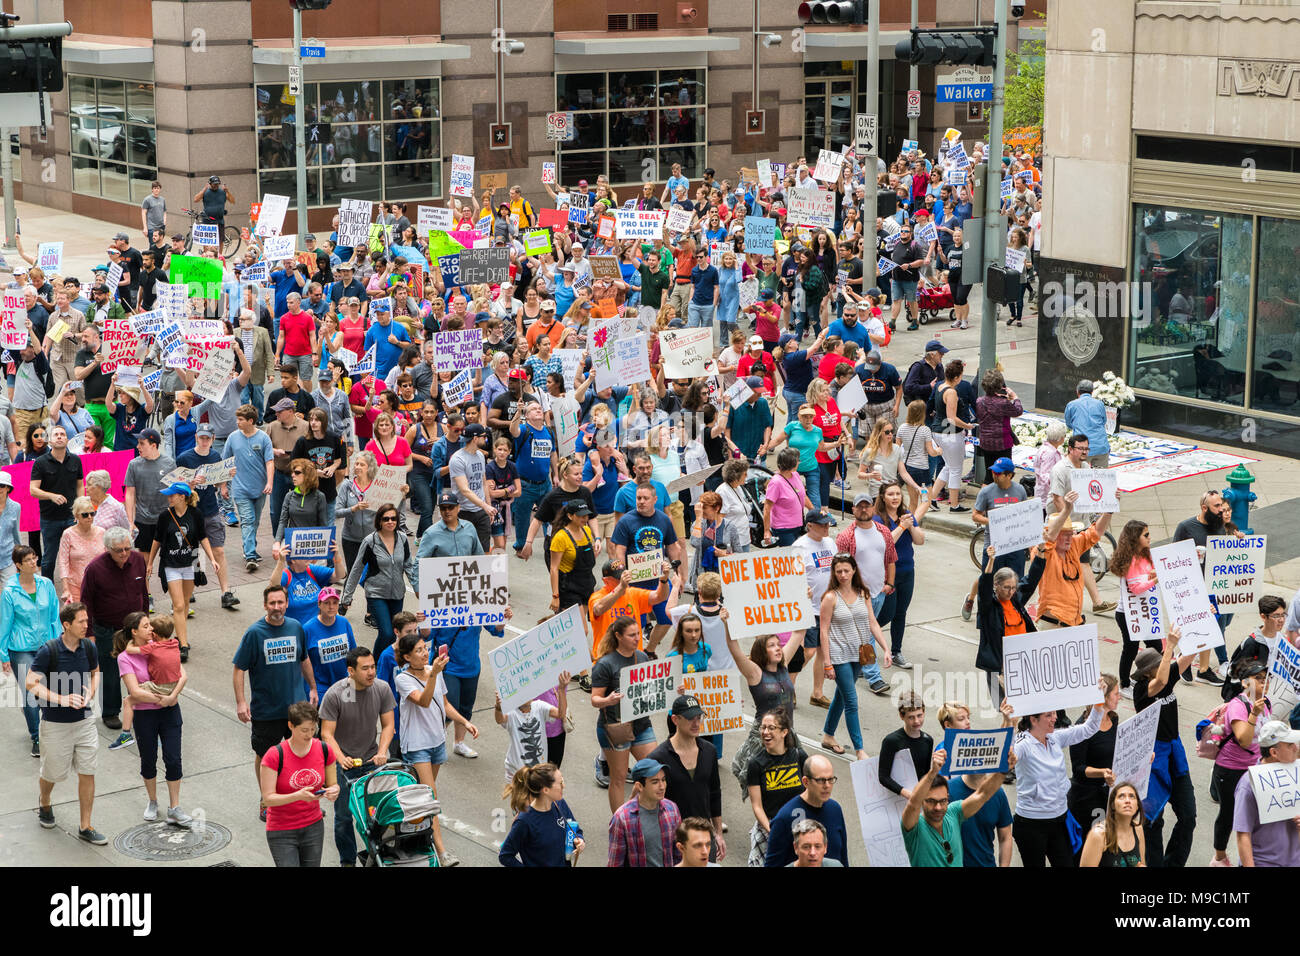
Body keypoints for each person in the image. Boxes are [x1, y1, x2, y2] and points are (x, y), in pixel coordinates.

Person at [393, 631, 477, 868]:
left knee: (423, 795)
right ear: (407, 657)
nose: (424, 653)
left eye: (424, 648)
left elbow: (445, 703)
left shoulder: (433, 671)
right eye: (418, 651)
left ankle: (413, 833)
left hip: (437, 741)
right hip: (417, 745)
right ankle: (441, 851)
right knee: (431, 797)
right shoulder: (403, 679)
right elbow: (424, 700)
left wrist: (465, 722)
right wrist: (434, 675)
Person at [233, 584, 316, 821]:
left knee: (301, 755)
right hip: (266, 711)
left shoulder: (296, 627)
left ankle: (302, 799)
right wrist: (241, 702)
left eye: (280, 602)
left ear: (287, 603)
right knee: (265, 756)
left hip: (296, 710)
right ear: (265, 605)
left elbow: (304, 658)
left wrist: (312, 687)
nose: (277, 607)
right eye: (272, 603)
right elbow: (239, 669)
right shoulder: (254, 633)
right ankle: (266, 799)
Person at [24, 601, 105, 844]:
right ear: (66, 625)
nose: (86, 624)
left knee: (87, 772)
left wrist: (91, 693)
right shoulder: (49, 650)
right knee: (52, 774)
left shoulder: (88, 647)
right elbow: (30, 682)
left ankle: (85, 825)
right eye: (81, 621)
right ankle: (45, 802)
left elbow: (95, 672)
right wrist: (62, 699)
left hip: (84, 722)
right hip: (55, 725)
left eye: (86, 620)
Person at [1008, 682, 1106, 867]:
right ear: (1033, 719)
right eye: (1048, 715)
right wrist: (1008, 725)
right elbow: (1010, 756)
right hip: (1031, 825)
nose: (1055, 718)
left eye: (1054, 714)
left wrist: (1098, 702)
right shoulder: (1023, 744)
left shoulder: (1054, 738)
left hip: (1059, 820)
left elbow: (1088, 729)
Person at [319, 645, 396, 867]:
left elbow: (389, 724)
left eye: (372, 667)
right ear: (351, 671)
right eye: (365, 668)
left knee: (377, 813)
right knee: (343, 817)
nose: (371, 672)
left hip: (372, 760)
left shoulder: (381, 688)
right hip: (341, 765)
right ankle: (348, 861)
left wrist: (382, 752)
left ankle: (378, 856)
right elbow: (326, 733)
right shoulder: (335, 694)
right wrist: (341, 758)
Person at [113, 611, 191, 827]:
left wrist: (172, 698)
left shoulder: (161, 645)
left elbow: (182, 675)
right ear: (134, 631)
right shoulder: (125, 657)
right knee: (148, 760)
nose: (151, 630)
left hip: (170, 711)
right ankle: (153, 801)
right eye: (146, 626)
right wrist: (163, 698)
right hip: (145, 715)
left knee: (173, 758)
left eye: (151, 625)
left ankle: (174, 807)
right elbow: (134, 691)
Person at [901, 745, 1015, 867]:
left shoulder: (953, 813)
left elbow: (983, 794)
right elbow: (913, 804)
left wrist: (1002, 772)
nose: (938, 807)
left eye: (943, 801)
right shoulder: (914, 827)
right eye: (931, 801)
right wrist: (933, 773)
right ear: (922, 801)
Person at [591, 617, 659, 813]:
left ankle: (637, 810)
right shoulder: (605, 664)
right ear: (618, 636)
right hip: (615, 727)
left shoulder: (642, 657)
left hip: (641, 724)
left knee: (653, 770)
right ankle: (619, 823)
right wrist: (608, 700)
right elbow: (595, 699)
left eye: (638, 633)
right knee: (619, 778)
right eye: (632, 635)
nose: (637, 638)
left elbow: (651, 688)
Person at [1, 546, 63, 757]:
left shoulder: (46, 584)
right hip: (20, 649)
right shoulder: (10, 592)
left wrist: (58, 643)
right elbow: (5, 624)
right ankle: (36, 735)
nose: (33, 562)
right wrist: (3, 655)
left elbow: (55, 616)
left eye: (34, 558)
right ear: (18, 565)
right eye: (28, 560)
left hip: (47, 645)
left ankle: (50, 729)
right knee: (31, 692)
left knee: (51, 688)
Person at [260, 700, 338, 867]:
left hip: (313, 826)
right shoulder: (274, 755)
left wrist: (333, 791)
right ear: (290, 726)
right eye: (304, 730)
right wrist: (298, 796)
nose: (309, 734)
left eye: (312, 729)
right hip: (282, 830)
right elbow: (268, 799)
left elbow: (333, 784)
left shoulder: (325, 750)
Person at [649, 694, 726, 862]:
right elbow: (650, 802)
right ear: (675, 719)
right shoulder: (658, 758)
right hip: (673, 839)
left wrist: (718, 833)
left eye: (699, 717)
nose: (696, 723)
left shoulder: (709, 751)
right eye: (691, 718)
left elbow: (714, 793)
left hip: (704, 838)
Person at [147, 482, 217, 661]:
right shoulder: (165, 516)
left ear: (182, 497)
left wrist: (212, 559)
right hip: (171, 564)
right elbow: (156, 540)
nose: (168, 498)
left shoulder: (195, 514)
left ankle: (180, 635)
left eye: (171, 495)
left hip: (191, 562)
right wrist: (150, 563)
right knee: (178, 605)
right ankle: (183, 645)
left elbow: (202, 537)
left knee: (185, 603)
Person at [1211, 657, 1271, 865]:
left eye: (1266, 678)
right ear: (1245, 682)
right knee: (1229, 815)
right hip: (1230, 770)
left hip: (1254, 769)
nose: (1264, 683)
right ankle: (1219, 857)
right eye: (1258, 678)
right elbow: (1244, 740)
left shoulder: (1267, 702)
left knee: (1255, 816)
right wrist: (1254, 714)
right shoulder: (1239, 705)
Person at [340, 504, 418, 659]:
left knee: (396, 633)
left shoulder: (402, 538)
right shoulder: (370, 541)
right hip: (376, 593)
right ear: (379, 521)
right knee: (387, 632)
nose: (390, 522)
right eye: (386, 519)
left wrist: (417, 587)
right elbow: (356, 569)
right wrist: (346, 597)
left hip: (397, 593)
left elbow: (408, 565)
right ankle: (375, 663)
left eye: (393, 518)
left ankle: (387, 663)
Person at [176, 424, 239, 609]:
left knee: (218, 550)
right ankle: (191, 589)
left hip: (211, 510)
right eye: (201, 438)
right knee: (192, 551)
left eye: (207, 438)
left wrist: (226, 478)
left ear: (212, 439)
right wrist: (191, 484)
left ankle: (225, 592)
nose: (204, 441)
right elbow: (178, 488)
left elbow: (218, 482)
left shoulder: (215, 456)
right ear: (196, 437)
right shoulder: (184, 458)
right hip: (191, 511)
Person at [744, 707, 807, 867]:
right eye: (763, 727)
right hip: (769, 828)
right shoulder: (755, 763)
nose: (765, 732)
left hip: (800, 826)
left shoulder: (798, 756)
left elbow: (811, 791)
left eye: (771, 728)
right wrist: (772, 831)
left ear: (784, 732)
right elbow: (757, 806)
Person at [1233, 720, 1300, 867]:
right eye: (1290, 745)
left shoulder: (1297, 775)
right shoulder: (1248, 784)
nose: (1296, 748)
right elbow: (1243, 834)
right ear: (1274, 752)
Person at [764, 754, 849, 867]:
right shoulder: (785, 818)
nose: (827, 785)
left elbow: (843, 856)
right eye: (821, 780)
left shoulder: (835, 809)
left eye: (830, 779)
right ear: (805, 782)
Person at [1067, 674, 1121, 842]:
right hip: (1087, 797)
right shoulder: (1081, 728)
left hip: (1107, 792)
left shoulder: (1114, 718)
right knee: (1091, 843)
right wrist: (1102, 772)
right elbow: (1078, 769)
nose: (1119, 697)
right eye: (1116, 694)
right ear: (1103, 698)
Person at [499, 764, 584, 867]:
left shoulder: (560, 804)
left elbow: (575, 829)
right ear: (546, 790)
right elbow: (505, 855)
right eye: (560, 783)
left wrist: (579, 840)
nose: (563, 786)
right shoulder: (524, 821)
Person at [31, 424, 85, 581]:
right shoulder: (40, 462)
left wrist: (81, 506)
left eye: (62, 434)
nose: (60, 436)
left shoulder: (75, 460)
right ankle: (48, 587)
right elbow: (33, 490)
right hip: (50, 518)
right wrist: (51, 496)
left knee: (75, 554)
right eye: (56, 435)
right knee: (49, 558)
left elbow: (80, 485)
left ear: (67, 439)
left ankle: (76, 584)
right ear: (50, 441)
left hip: (71, 517)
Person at [606, 757, 683, 867]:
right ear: (639, 786)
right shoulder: (622, 818)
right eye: (655, 782)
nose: (662, 786)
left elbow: (679, 853)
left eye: (663, 780)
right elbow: (615, 863)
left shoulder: (672, 809)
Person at [227, 404, 275, 572]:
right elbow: (225, 463)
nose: (237, 422)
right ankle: (250, 555)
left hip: (260, 489)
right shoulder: (232, 437)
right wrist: (223, 486)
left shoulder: (263, 438)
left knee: (255, 521)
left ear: (251, 421)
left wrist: (269, 482)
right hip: (240, 489)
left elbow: (270, 462)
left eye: (240, 420)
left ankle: (250, 547)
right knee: (247, 521)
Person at [495, 673, 569, 780]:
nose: (527, 695)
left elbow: (561, 714)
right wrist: (498, 708)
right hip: (517, 771)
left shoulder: (539, 706)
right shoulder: (511, 713)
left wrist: (561, 690)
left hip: (537, 772)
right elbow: (499, 720)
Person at [879, 691, 934, 798]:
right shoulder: (891, 741)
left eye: (919, 715)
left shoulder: (928, 740)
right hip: (898, 797)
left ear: (924, 712)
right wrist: (906, 794)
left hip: (918, 795)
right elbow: (883, 777)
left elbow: (925, 773)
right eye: (911, 717)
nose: (917, 721)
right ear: (901, 716)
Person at [1079, 782, 1146, 867]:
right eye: (1121, 796)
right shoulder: (1099, 835)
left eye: (1132, 796)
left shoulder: (1138, 828)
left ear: (1137, 806)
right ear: (1112, 805)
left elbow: (1142, 863)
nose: (1127, 800)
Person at [55, 495, 105, 605]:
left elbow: (107, 559)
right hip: (76, 587)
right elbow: (63, 562)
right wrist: (65, 588)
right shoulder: (68, 534)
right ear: (76, 515)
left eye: (92, 513)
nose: (89, 517)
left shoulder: (101, 532)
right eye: (85, 515)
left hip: (99, 586)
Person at [1063, 379, 1111, 468]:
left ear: (1077, 392)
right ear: (1092, 392)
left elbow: (1069, 424)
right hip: (1101, 446)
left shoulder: (1072, 405)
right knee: (1101, 478)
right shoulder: (1099, 404)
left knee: (1079, 478)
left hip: (1081, 449)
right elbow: (1103, 421)